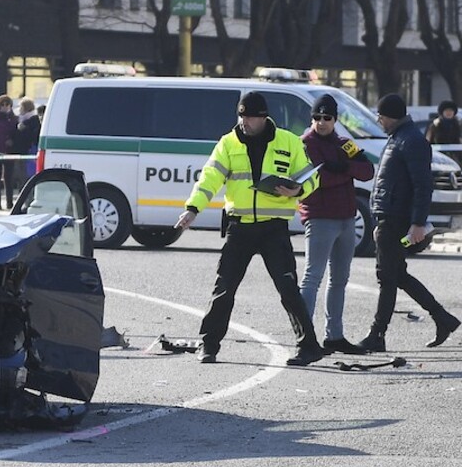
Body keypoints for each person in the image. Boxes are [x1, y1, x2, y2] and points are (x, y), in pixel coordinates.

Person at [175, 91, 327, 366]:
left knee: (288, 288)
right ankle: (208, 345)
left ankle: (309, 346)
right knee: (224, 289)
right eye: (241, 115)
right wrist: (193, 208)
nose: (244, 121)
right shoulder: (228, 143)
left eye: (249, 117)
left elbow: (311, 178)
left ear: (263, 117)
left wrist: (298, 189)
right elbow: (209, 178)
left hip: (274, 229)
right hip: (240, 227)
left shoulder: (289, 142)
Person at [355, 94, 460, 351]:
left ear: (391, 115)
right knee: (395, 275)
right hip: (389, 217)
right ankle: (442, 318)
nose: (378, 120)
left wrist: (417, 223)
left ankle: (377, 335)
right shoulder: (399, 137)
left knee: (388, 277)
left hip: (396, 219)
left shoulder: (411, 140)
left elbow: (423, 186)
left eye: (380, 115)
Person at [297, 94, 375, 355]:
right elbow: (316, 181)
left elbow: (368, 172)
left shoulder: (345, 143)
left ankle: (335, 336)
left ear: (335, 119)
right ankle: (305, 337)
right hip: (319, 217)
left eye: (326, 118)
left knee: (340, 279)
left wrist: (341, 167)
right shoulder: (305, 144)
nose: (321, 122)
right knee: (312, 278)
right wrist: (346, 170)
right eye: (317, 117)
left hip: (346, 218)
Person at [12, 97, 42, 178]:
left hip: (29, 151)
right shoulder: (20, 120)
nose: (19, 110)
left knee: (28, 174)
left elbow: (33, 136)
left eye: (21, 107)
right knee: (21, 174)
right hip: (21, 151)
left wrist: (25, 128)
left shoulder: (34, 120)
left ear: (26, 108)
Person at [425, 99, 461, 165]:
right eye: (446, 111)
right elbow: (428, 141)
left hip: (456, 158)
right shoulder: (435, 125)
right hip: (439, 158)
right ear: (442, 112)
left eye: (451, 111)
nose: (449, 113)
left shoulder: (458, 125)